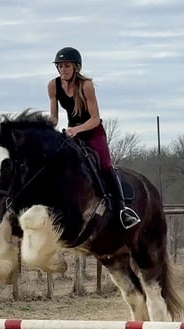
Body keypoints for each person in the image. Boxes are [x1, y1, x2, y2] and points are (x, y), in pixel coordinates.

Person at [47, 46, 141, 230]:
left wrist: (77, 129)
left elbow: (95, 118)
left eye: (67, 66)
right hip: (72, 133)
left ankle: (123, 209)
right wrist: (45, 130)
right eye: (60, 66)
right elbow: (54, 118)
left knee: (105, 165)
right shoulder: (53, 85)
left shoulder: (86, 85)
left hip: (92, 131)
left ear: (76, 67)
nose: (63, 70)